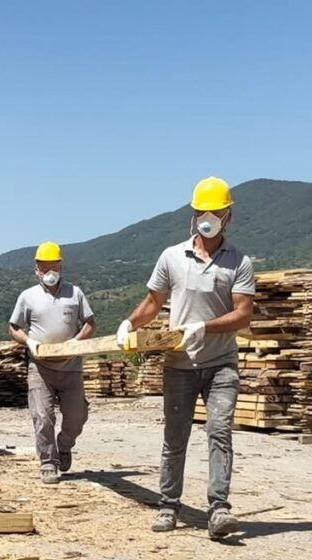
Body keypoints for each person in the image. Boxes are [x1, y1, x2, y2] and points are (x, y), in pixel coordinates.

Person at [116, 177, 255, 538]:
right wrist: (129, 323)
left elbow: (243, 315)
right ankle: (168, 504)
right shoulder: (172, 257)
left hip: (221, 362)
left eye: (216, 211)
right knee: (174, 437)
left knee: (219, 431)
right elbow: (152, 303)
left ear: (229, 215)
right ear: (193, 215)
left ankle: (219, 508)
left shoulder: (239, 262)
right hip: (179, 366)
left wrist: (204, 327)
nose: (208, 217)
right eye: (202, 211)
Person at [8, 241, 96, 484]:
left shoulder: (75, 293)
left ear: (61, 266)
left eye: (53, 266)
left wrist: (76, 341)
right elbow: (14, 327)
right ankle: (48, 461)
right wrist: (28, 342)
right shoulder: (28, 297)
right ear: (36, 269)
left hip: (71, 366)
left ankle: (65, 445)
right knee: (42, 416)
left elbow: (90, 323)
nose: (49, 272)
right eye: (44, 267)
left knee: (77, 416)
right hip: (41, 367)